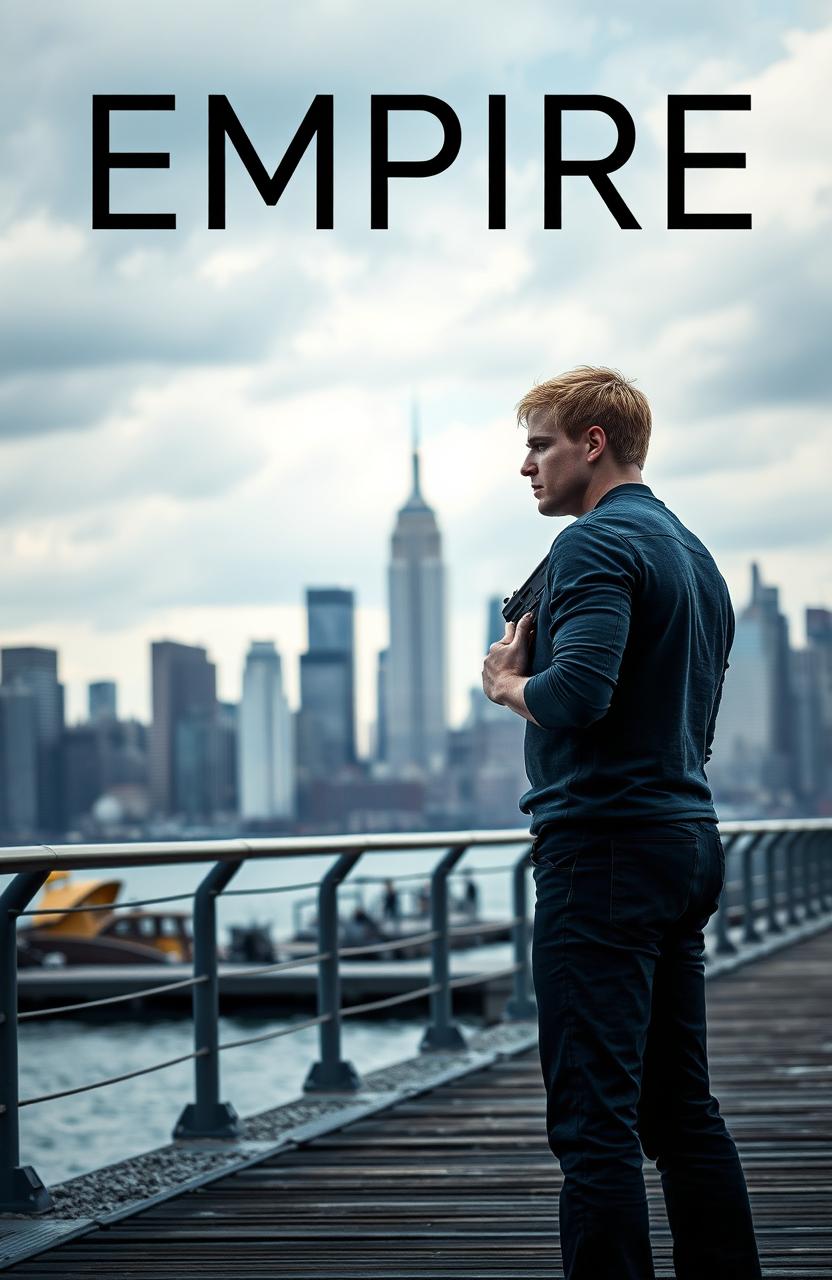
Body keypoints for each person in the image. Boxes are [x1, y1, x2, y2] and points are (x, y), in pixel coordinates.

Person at [481, 366, 761, 1280]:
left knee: (593, 1123)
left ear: (591, 444)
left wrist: (506, 684)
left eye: (539, 444)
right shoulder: (694, 552)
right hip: (683, 843)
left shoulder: (596, 547)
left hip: (602, 848)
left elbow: (578, 696)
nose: (525, 465)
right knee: (682, 1112)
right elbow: (695, 714)